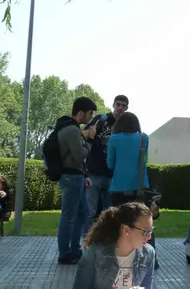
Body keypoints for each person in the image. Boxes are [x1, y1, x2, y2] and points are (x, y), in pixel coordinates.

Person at [106, 111, 158, 268]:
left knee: (118, 224)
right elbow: (144, 161)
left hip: (118, 188)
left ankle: (118, 258)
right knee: (144, 226)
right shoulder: (144, 138)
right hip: (140, 188)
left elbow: (110, 164)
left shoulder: (114, 139)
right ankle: (150, 260)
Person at [72, 202, 155, 289]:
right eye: (145, 232)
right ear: (126, 230)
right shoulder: (94, 253)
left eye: (151, 231)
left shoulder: (148, 253)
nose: (149, 237)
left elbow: (148, 286)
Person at [57, 97, 98, 265]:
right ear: (81, 112)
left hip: (77, 176)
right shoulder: (72, 130)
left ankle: (74, 249)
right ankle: (65, 253)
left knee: (82, 213)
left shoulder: (71, 128)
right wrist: (89, 140)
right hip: (71, 177)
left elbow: (77, 159)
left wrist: (85, 175)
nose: (90, 117)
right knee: (69, 216)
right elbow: (80, 155)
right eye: (90, 113)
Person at [82, 94, 129, 237]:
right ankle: (87, 243)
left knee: (110, 213)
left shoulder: (126, 125)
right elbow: (83, 134)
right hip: (94, 172)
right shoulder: (101, 119)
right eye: (118, 104)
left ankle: (106, 242)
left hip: (112, 175)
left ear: (127, 108)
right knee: (89, 211)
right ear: (113, 105)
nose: (120, 108)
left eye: (123, 105)